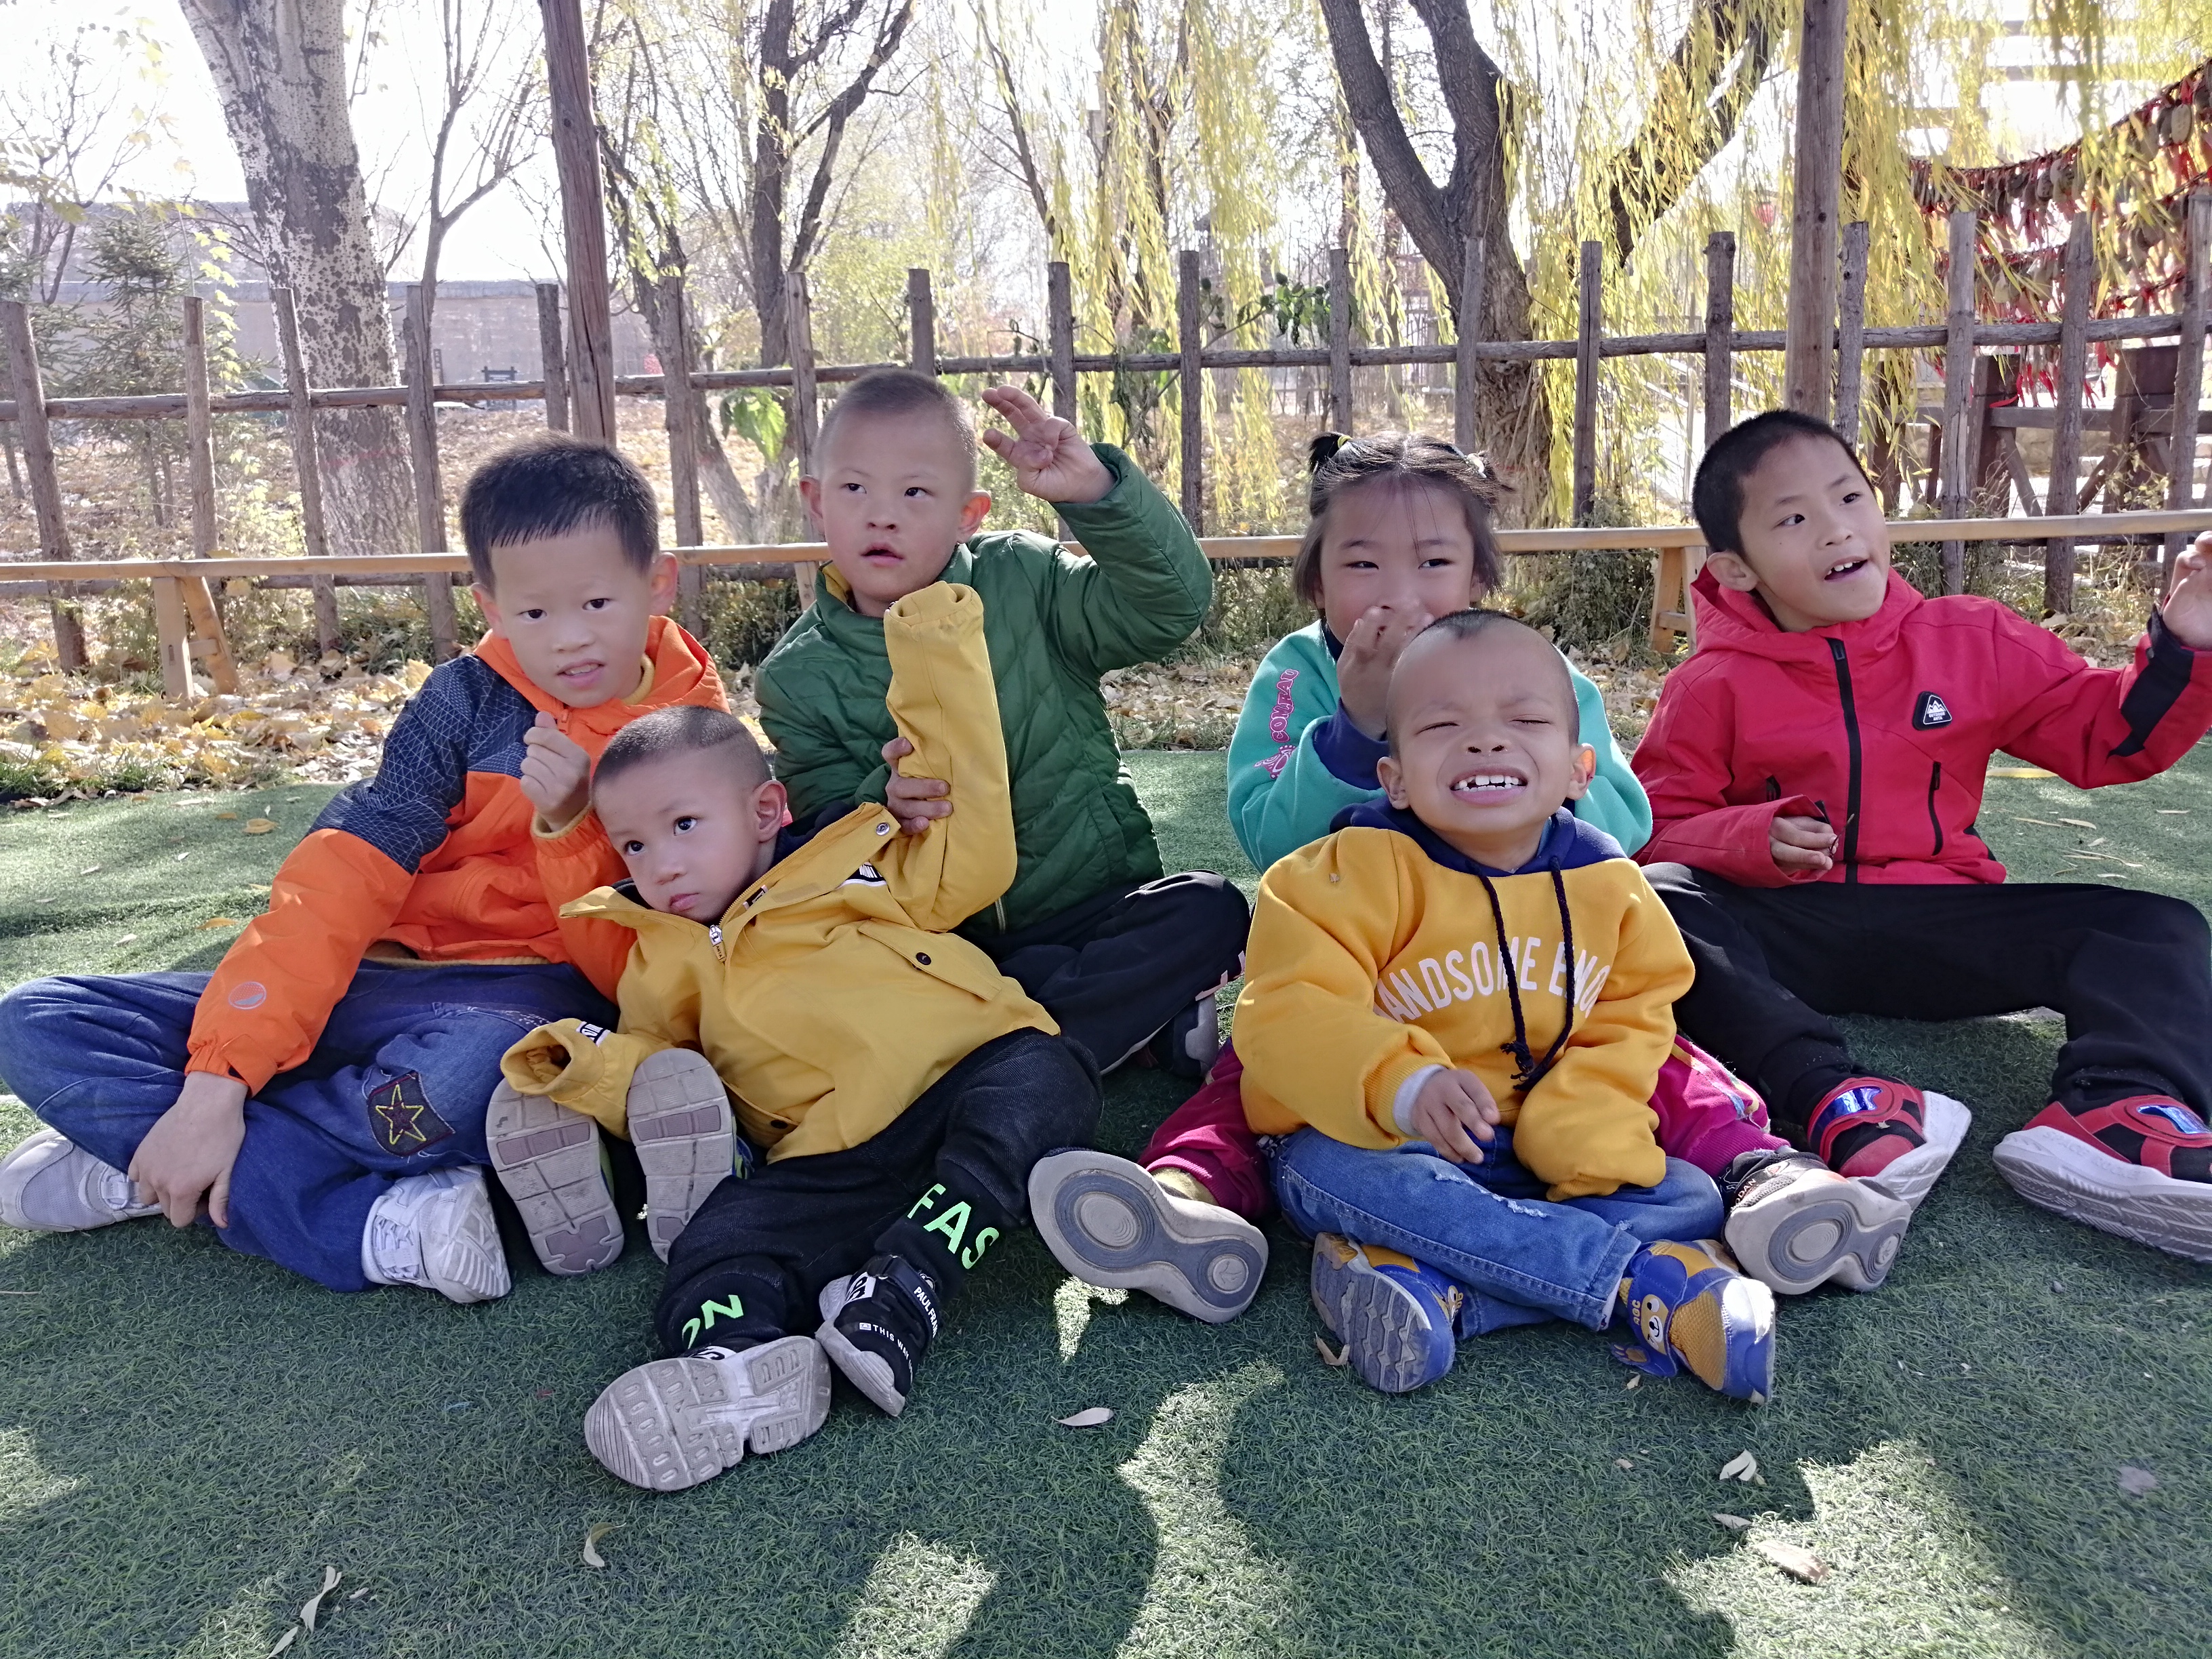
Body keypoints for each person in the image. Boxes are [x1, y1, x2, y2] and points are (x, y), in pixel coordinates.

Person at [1029, 432, 1902, 1322]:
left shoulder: (1530, 668)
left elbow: (1624, 824)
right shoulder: (1300, 676)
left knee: (1662, 1058)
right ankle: (1189, 1197)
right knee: (1267, 1060)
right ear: (1317, 581)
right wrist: (1355, 732)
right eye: (1362, 564)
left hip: (1540, 990)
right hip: (1377, 995)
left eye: (1434, 562)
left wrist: (1530, 796)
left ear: (1479, 578)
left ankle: (1761, 1174)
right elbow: (1274, 844)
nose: (1399, 593)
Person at [0, 436, 729, 1299]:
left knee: (463, 1086)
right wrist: (215, 1083)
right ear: (490, 605)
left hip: (518, 1004)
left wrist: (571, 826)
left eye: (598, 603)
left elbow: (645, 952)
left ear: (658, 583)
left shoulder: (695, 738)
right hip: (371, 981)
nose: (570, 638)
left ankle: (153, 1166)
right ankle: (251, 1162)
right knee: (36, 1019)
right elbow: (341, 881)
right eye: (534, 613)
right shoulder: (461, 702)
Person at [500, 581, 1100, 1492]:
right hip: (829, 1155)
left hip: (963, 1071)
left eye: (684, 826)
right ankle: (731, 1365)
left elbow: (970, 853)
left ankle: (906, 1286)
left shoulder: (850, 862)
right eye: (634, 847)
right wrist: (582, 1065)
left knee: (1045, 1080)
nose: (661, 865)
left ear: (765, 812)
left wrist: (937, 651)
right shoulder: (656, 958)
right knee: (722, 1235)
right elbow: (661, 1070)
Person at [1635, 407, 2212, 1262]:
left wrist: (2185, 643)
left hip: (1941, 923)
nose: (1837, 529)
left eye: (1850, 498)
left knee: (2155, 927)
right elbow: (1653, 827)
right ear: (1736, 568)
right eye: (1793, 518)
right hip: (1794, 931)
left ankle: (2117, 1114)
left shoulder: (1973, 636)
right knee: (1657, 902)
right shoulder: (1708, 684)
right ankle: (1833, 1099)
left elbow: (2107, 739)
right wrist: (1750, 838)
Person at [1233, 607, 1776, 1399]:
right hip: (1386, 1144)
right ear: (1395, 778)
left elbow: (1631, 1021)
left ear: (1580, 771)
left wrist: (1579, 1123)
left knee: (1689, 1196)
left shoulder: (1613, 889)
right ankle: (1638, 1282)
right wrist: (1404, 1085)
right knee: (1333, 1174)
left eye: (1524, 720)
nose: (1486, 742)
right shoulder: (1337, 875)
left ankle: (1450, 1294)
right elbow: (1287, 1010)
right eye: (1443, 725)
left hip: (1531, 1150)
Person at [754, 370, 1248, 1084]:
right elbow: (821, 845)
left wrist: (1097, 495)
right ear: (816, 501)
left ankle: (1010, 1056)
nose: (881, 516)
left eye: (915, 493)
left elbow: (1170, 607)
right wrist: (879, 805)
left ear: (969, 514)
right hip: (942, 943)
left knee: (1208, 907)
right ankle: (1118, 1027)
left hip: (1091, 904)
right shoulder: (797, 677)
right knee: (845, 982)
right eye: (855, 488)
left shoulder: (1025, 577)